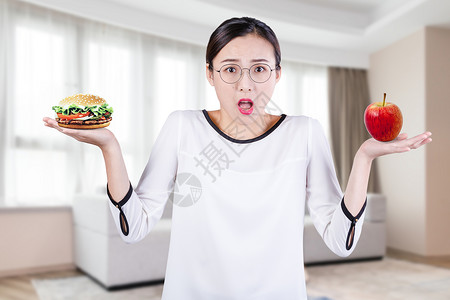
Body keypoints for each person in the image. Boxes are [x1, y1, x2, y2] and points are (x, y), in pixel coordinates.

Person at [43, 17, 432, 300]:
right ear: (210, 74)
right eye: (230, 69)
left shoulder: (305, 132)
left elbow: (341, 240)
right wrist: (109, 146)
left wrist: (364, 157)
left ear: (278, 74)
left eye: (260, 69)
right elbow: (134, 227)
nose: (245, 83)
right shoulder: (182, 127)